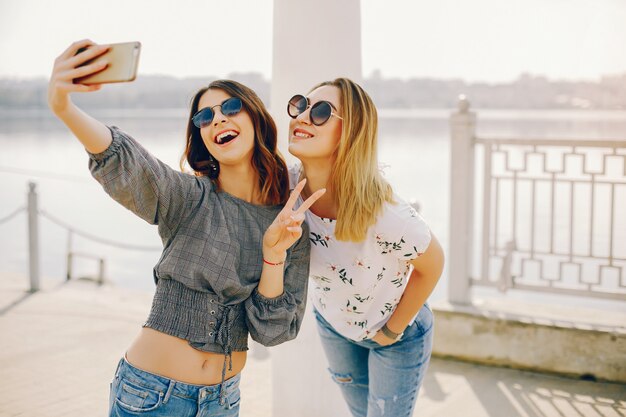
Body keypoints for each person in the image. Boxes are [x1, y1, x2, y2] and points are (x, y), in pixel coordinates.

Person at [47, 39, 325, 417]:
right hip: (151, 396)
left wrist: (274, 254)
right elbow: (128, 160)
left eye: (230, 107)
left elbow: (273, 331)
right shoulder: (188, 197)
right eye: (204, 118)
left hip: (224, 402)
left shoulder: (289, 223)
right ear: (202, 140)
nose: (218, 120)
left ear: (256, 118)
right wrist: (63, 107)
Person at [286, 78, 444, 417]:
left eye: (321, 112)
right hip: (333, 325)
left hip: (396, 334)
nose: (301, 117)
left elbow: (433, 264)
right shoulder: (286, 187)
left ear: (351, 132)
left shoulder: (387, 214)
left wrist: (391, 330)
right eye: (300, 106)